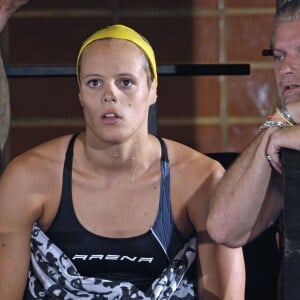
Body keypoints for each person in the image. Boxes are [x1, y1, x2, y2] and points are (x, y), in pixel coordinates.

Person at [0, 2, 245, 299]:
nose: (110, 95)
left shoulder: (201, 180)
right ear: (79, 93)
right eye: (94, 83)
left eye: (126, 82)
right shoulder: (29, 178)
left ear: (153, 89)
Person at [207, 0, 300, 249]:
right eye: (279, 57)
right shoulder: (283, 133)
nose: (286, 69)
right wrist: (276, 125)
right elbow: (223, 227)